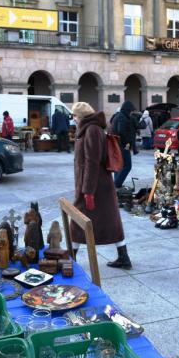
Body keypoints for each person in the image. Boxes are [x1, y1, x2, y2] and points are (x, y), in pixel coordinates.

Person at [70, 102, 132, 269]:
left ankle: (70, 258)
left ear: (81, 116)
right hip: (94, 184)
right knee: (109, 220)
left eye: (75, 115)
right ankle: (123, 257)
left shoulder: (91, 130)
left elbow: (92, 161)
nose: (73, 118)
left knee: (77, 220)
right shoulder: (88, 128)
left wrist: (88, 191)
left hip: (94, 185)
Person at [112, 101, 137, 188]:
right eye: (131, 111)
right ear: (127, 109)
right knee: (127, 166)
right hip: (122, 145)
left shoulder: (119, 116)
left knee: (119, 166)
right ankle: (116, 184)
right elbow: (121, 131)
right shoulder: (122, 117)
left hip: (117, 145)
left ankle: (116, 183)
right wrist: (126, 142)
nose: (131, 113)